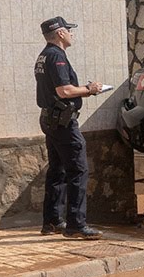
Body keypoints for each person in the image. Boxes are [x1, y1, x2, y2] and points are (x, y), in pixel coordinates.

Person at [34, 16, 104, 239]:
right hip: (63, 122)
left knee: (58, 170)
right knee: (78, 170)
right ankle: (76, 224)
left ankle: (52, 221)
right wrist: (89, 89)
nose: (72, 34)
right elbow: (64, 91)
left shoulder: (44, 56)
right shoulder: (57, 57)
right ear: (60, 33)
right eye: (69, 30)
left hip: (51, 120)